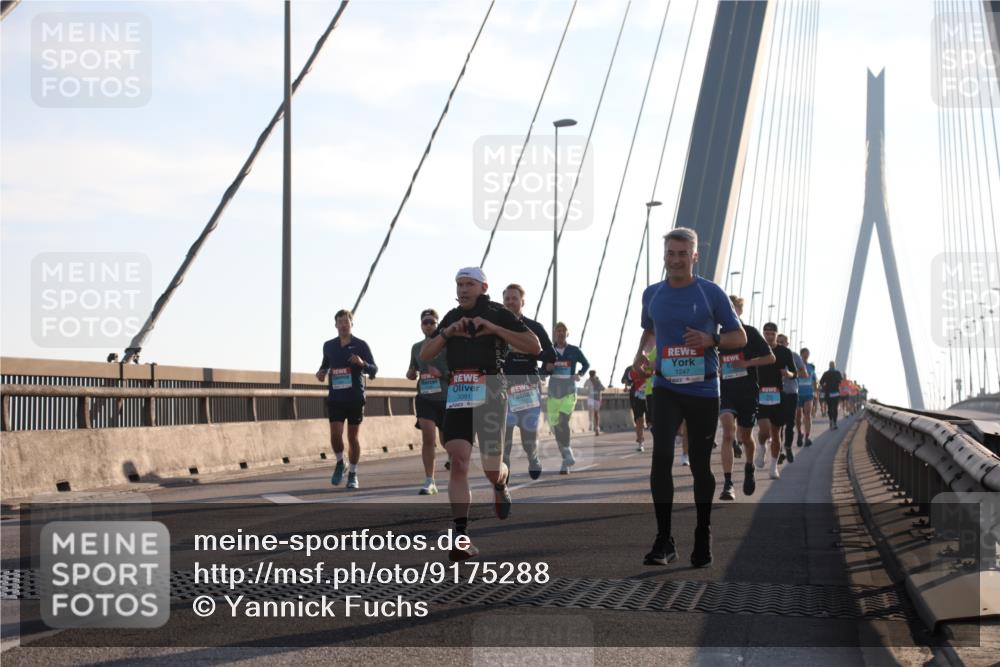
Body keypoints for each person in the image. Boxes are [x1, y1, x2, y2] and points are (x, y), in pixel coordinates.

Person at [632, 227, 746, 568]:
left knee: (699, 463)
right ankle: (664, 540)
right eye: (671, 253)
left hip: (703, 389)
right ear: (664, 256)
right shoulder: (652, 294)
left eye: (683, 254)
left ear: (695, 257)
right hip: (666, 387)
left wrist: (712, 340)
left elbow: (739, 337)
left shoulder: (711, 293)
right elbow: (650, 330)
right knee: (661, 456)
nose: (676, 260)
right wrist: (641, 354)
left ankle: (702, 532)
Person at [419, 267, 541, 561]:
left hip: (491, 390)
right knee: (458, 459)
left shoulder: (499, 313)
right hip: (460, 390)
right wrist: (447, 332)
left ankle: (501, 482)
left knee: (491, 469)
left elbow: (534, 346)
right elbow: (425, 354)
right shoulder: (452, 316)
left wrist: (495, 329)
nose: (462, 289)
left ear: (483, 287)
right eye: (459, 284)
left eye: (469, 284)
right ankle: (461, 537)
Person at [718, 295, 774, 500]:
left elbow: (771, 357)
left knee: (745, 437)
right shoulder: (718, 336)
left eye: (733, 308)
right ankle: (728, 483)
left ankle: (749, 468)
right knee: (727, 433)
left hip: (747, 392)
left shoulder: (750, 332)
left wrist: (747, 363)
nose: (729, 312)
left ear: (740, 311)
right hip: (726, 391)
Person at [316, 309, 378, 490]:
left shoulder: (361, 345)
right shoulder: (329, 346)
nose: (343, 325)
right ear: (335, 325)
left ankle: (353, 473)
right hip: (336, 397)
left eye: (346, 322)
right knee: (335, 434)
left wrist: (362, 363)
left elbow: (374, 370)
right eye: (340, 322)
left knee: (352, 438)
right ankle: (340, 462)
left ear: (352, 324)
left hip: (354, 398)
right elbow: (325, 365)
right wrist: (321, 372)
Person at [501, 283, 554, 480]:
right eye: (507, 299)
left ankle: (532, 456)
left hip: (527, 386)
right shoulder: (496, 327)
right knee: (504, 433)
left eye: (514, 298)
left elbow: (551, 355)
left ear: (522, 302)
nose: (510, 302)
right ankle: (504, 469)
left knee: (527, 435)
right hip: (503, 387)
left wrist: (533, 353)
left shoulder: (534, 327)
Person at [407, 308, 448, 495]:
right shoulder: (416, 347)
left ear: (438, 324)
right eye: (425, 322)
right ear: (421, 325)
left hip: (446, 398)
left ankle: (452, 457)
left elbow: (456, 371)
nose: (429, 325)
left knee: (446, 441)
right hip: (425, 398)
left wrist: (441, 374)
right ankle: (430, 480)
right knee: (428, 437)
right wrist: (410, 373)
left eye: (432, 322)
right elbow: (412, 369)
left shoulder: (446, 345)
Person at [752, 323, 797, 480]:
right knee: (764, 430)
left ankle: (773, 467)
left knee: (776, 434)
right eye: (767, 333)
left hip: (778, 395)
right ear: (763, 334)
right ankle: (762, 447)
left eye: (772, 334)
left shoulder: (784, 352)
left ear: (776, 335)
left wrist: (788, 373)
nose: (769, 336)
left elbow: (795, 373)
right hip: (761, 394)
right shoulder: (758, 349)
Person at [545, 322, 589, 474]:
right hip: (553, 393)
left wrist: (580, 374)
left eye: (563, 330)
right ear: (554, 334)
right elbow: (543, 370)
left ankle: (567, 453)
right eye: (558, 331)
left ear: (567, 333)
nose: (560, 333)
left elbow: (586, 364)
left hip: (569, 392)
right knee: (556, 427)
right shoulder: (549, 351)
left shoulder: (574, 350)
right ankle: (566, 458)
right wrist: (547, 369)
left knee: (563, 420)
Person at [776, 333, 807, 465]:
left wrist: (790, 373)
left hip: (791, 392)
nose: (780, 344)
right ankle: (779, 451)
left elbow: (804, 373)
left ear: (787, 343)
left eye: (783, 342)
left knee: (790, 423)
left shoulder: (794, 356)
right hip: (776, 392)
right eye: (778, 341)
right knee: (778, 424)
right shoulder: (772, 355)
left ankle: (788, 446)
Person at [622, 365, 650, 451]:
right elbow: (625, 380)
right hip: (636, 396)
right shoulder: (630, 368)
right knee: (639, 420)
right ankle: (640, 442)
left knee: (650, 422)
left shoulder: (650, 366)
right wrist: (626, 386)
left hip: (649, 396)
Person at [796, 347, 817, 447]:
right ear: (801, 354)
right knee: (798, 416)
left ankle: (807, 437)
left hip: (808, 394)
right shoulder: (796, 365)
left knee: (808, 415)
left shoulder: (811, 367)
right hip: (797, 393)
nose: (806, 355)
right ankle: (800, 433)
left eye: (808, 353)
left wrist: (815, 392)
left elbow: (814, 380)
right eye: (805, 353)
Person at [819, 362, 844, 429]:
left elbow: (821, 382)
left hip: (828, 393)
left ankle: (830, 420)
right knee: (835, 408)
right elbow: (841, 382)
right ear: (834, 366)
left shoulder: (826, 373)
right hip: (836, 393)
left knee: (830, 408)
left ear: (829, 366)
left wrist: (825, 387)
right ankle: (835, 423)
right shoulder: (837, 373)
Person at [583, 370, 606, 435]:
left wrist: (592, 389)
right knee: (595, 413)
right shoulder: (592, 381)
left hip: (594, 398)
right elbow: (603, 388)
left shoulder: (593, 381)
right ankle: (595, 426)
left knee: (593, 412)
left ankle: (594, 425)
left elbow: (603, 388)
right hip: (594, 398)